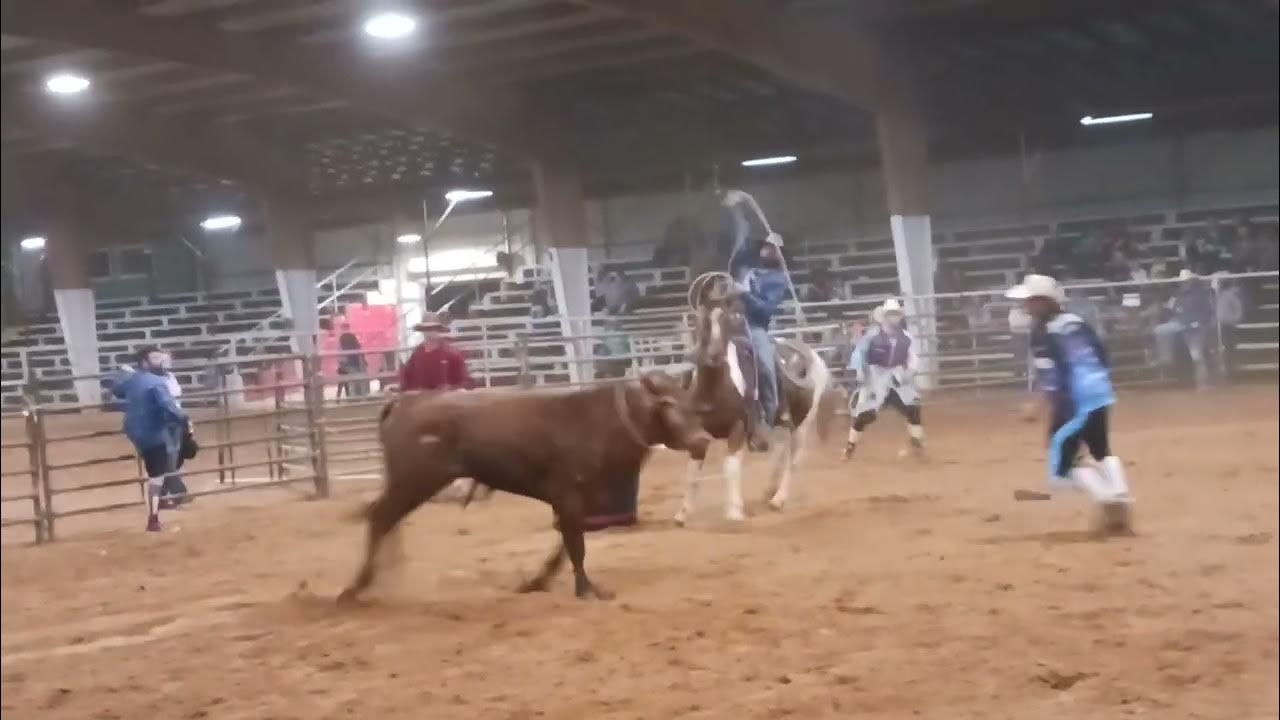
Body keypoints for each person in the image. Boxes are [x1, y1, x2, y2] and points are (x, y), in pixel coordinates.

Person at [1005, 274, 1132, 532]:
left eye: (1030, 301)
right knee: (1100, 449)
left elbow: (1053, 378)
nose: (1026, 307)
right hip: (1100, 391)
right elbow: (1103, 354)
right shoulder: (1077, 322)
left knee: (1061, 469)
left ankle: (1109, 498)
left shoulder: (1042, 333)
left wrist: (1037, 406)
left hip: (1073, 400)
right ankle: (1118, 491)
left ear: (1044, 302)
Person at [725, 189, 788, 450]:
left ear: (779, 253)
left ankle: (768, 416)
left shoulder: (777, 280)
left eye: (772, 247)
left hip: (755, 327)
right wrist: (738, 214)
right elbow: (739, 245)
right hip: (731, 324)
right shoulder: (745, 267)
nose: (766, 249)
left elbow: (765, 310)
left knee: (764, 366)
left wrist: (745, 295)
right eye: (765, 245)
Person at [112, 346, 190, 532]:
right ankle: (154, 516)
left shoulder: (133, 379)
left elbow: (118, 390)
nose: (161, 360)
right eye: (155, 358)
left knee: (158, 467)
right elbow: (168, 406)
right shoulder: (156, 383)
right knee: (158, 473)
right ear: (145, 362)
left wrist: (124, 375)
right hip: (154, 431)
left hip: (134, 430)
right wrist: (184, 420)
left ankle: (171, 490)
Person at [842, 299, 925, 461]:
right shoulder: (872, 335)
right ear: (885, 317)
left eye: (896, 314)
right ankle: (850, 447)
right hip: (875, 375)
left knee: (913, 408)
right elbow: (859, 353)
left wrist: (910, 372)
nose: (894, 318)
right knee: (865, 415)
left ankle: (917, 446)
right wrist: (859, 370)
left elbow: (913, 358)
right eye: (891, 314)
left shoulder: (906, 337)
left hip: (896, 375)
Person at [1154, 269, 1215, 389]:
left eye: (1186, 281)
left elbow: (1207, 311)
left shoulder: (1200, 294)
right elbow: (1173, 309)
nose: (1184, 284)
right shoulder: (1178, 295)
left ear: (1191, 281)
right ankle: (1165, 358)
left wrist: (1200, 322)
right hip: (1181, 323)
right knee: (1159, 330)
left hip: (1194, 326)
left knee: (1197, 356)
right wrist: (1173, 314)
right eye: (1183, 282)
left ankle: (1203, 384)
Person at [398, 313, 474, 392]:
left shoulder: (451, 354)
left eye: (432, 329)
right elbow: (406, 378)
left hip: (445, 400)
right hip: (422, 399)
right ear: (422, 331)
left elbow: (466, 381)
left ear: (438, 330)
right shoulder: (417, 354)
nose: (429, 333)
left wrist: (452, 388)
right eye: (426, 329)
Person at [336, 322, 366, 398]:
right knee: (357, 374)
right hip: (348, 363)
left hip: (349, 363)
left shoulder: (343, 337)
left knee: (358, 373)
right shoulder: (345, 337)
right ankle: (358, 395)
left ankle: (357, 395)